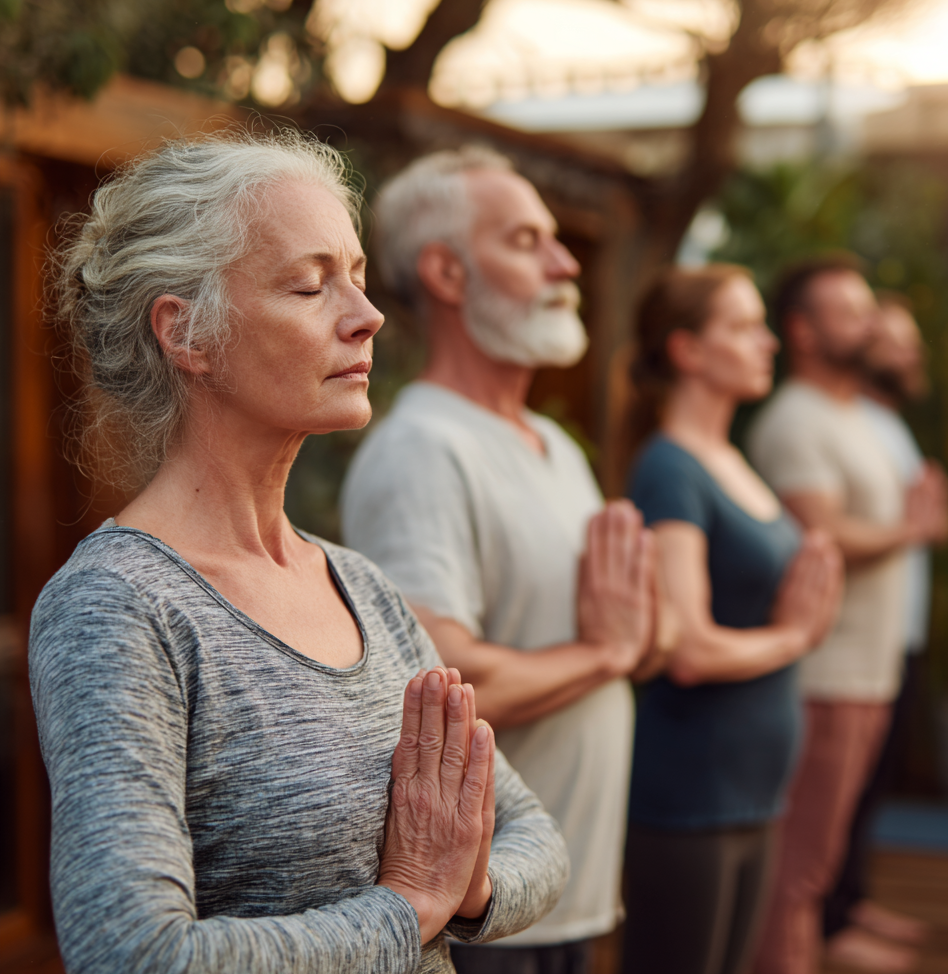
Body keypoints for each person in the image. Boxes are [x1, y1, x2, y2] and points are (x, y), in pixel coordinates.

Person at [29, 131, 570, 974]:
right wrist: (409, 907)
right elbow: (129, 952)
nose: (367, 315)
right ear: (187, 334)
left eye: (356, 275)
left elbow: (536, 839)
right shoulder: (118, 604)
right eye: (312, 284)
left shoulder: (360, 586)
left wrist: (462, 890)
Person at [342, 147, 653, 974]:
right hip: (487, 919)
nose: (565, 263)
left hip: (567, 892)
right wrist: (608, 653)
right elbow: (437, 693)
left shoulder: (552, 443)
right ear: (446, 271)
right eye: (526, 241)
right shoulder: (422, 450)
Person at [619, 265, 843, 974]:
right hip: (692, 788)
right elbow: (689, 646)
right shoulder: (670, 471)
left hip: (755, 787)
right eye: (744, 326)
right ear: (687, 350)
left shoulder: (731, 458)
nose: (768, 341)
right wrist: (795, 637)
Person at [747, 256, 948, 974]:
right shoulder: (796, 420)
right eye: (851, 312)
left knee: (819, 862)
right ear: (802, 331)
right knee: (798, 870)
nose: (870, 324)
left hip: (866, 667)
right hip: (827, 671)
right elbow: (821, 532)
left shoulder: (851, 415)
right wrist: (910, 529)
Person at [822, 294, 948, 971]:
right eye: (897, 341)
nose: (911, 355)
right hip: (863, 639)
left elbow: (924, 523)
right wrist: (913, 526)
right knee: (846, 788)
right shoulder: (855, 424)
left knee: (872, 783)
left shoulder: (891, 425)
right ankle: (832, 917)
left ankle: (853, 899)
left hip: (903, 630)